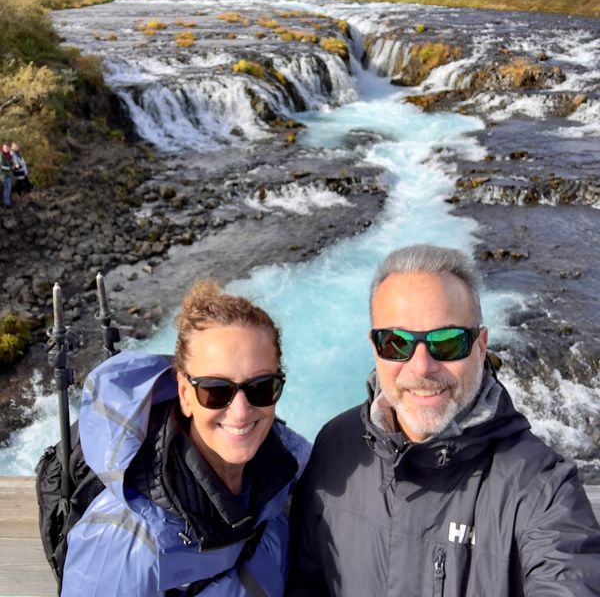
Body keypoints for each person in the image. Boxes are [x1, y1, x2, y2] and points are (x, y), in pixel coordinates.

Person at [288, 244, 600, 596]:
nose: (422, 366)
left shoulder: (540, 488)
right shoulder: (335, 447)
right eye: (396, 342)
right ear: (375, 347)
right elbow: (307, 580)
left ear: (481, 346)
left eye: (447, 342)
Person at [61, 279, 310, 596]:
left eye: (261, 387)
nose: (241, 411)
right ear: (184, 394)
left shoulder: (284, 468)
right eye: (216, 391)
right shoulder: (124, 541)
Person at [1, 141, 14, 208]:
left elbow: (11, 163)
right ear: (2, 148)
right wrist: (9, 167)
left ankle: (6, 202)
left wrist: (12, 156)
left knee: (8, 189)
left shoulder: (9, 155)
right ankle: (7, 203)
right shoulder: (1, 155)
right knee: (7, 189)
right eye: (4, 147)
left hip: (9, 175)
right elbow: (1, 166)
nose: (6, 148)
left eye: (7, 147)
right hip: (3, 175)